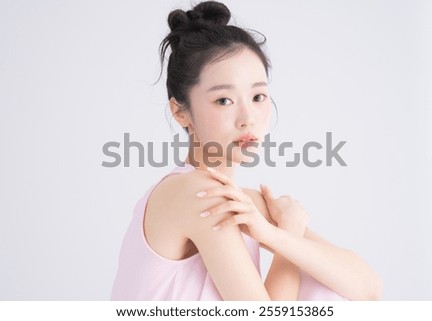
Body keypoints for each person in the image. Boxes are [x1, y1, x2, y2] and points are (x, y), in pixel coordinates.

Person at [111, 0, 382, 301]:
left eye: (258, 96)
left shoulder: (241, 202)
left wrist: (278, 237)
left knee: (325, 277)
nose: (248, 118)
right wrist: (287, 233)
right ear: (180, 112)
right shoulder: (198, 193)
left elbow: (367, 288)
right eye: (223, 100)